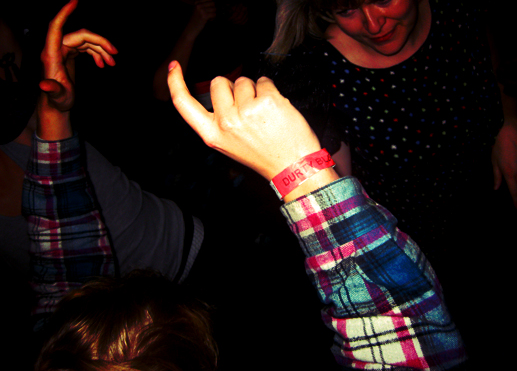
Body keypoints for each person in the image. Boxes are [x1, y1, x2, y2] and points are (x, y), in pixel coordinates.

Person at [28, 46, 468, 369]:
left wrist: (51, 115)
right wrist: (300, 171)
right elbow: (415, 344)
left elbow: (64, 259)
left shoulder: (60, 334)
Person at [260, 0, 517, 259]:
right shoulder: (321, 70)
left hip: (494, 198)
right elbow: (338, 194)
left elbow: (491, 55)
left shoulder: (454, 5)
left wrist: (509, 119)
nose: (373, 24)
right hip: (414, 242)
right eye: (346, 11)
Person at [1, 0, 204, 309]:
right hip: (136, 316)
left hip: (184, 246)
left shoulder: (20, 122)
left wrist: (56, 99)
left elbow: (52, 115)